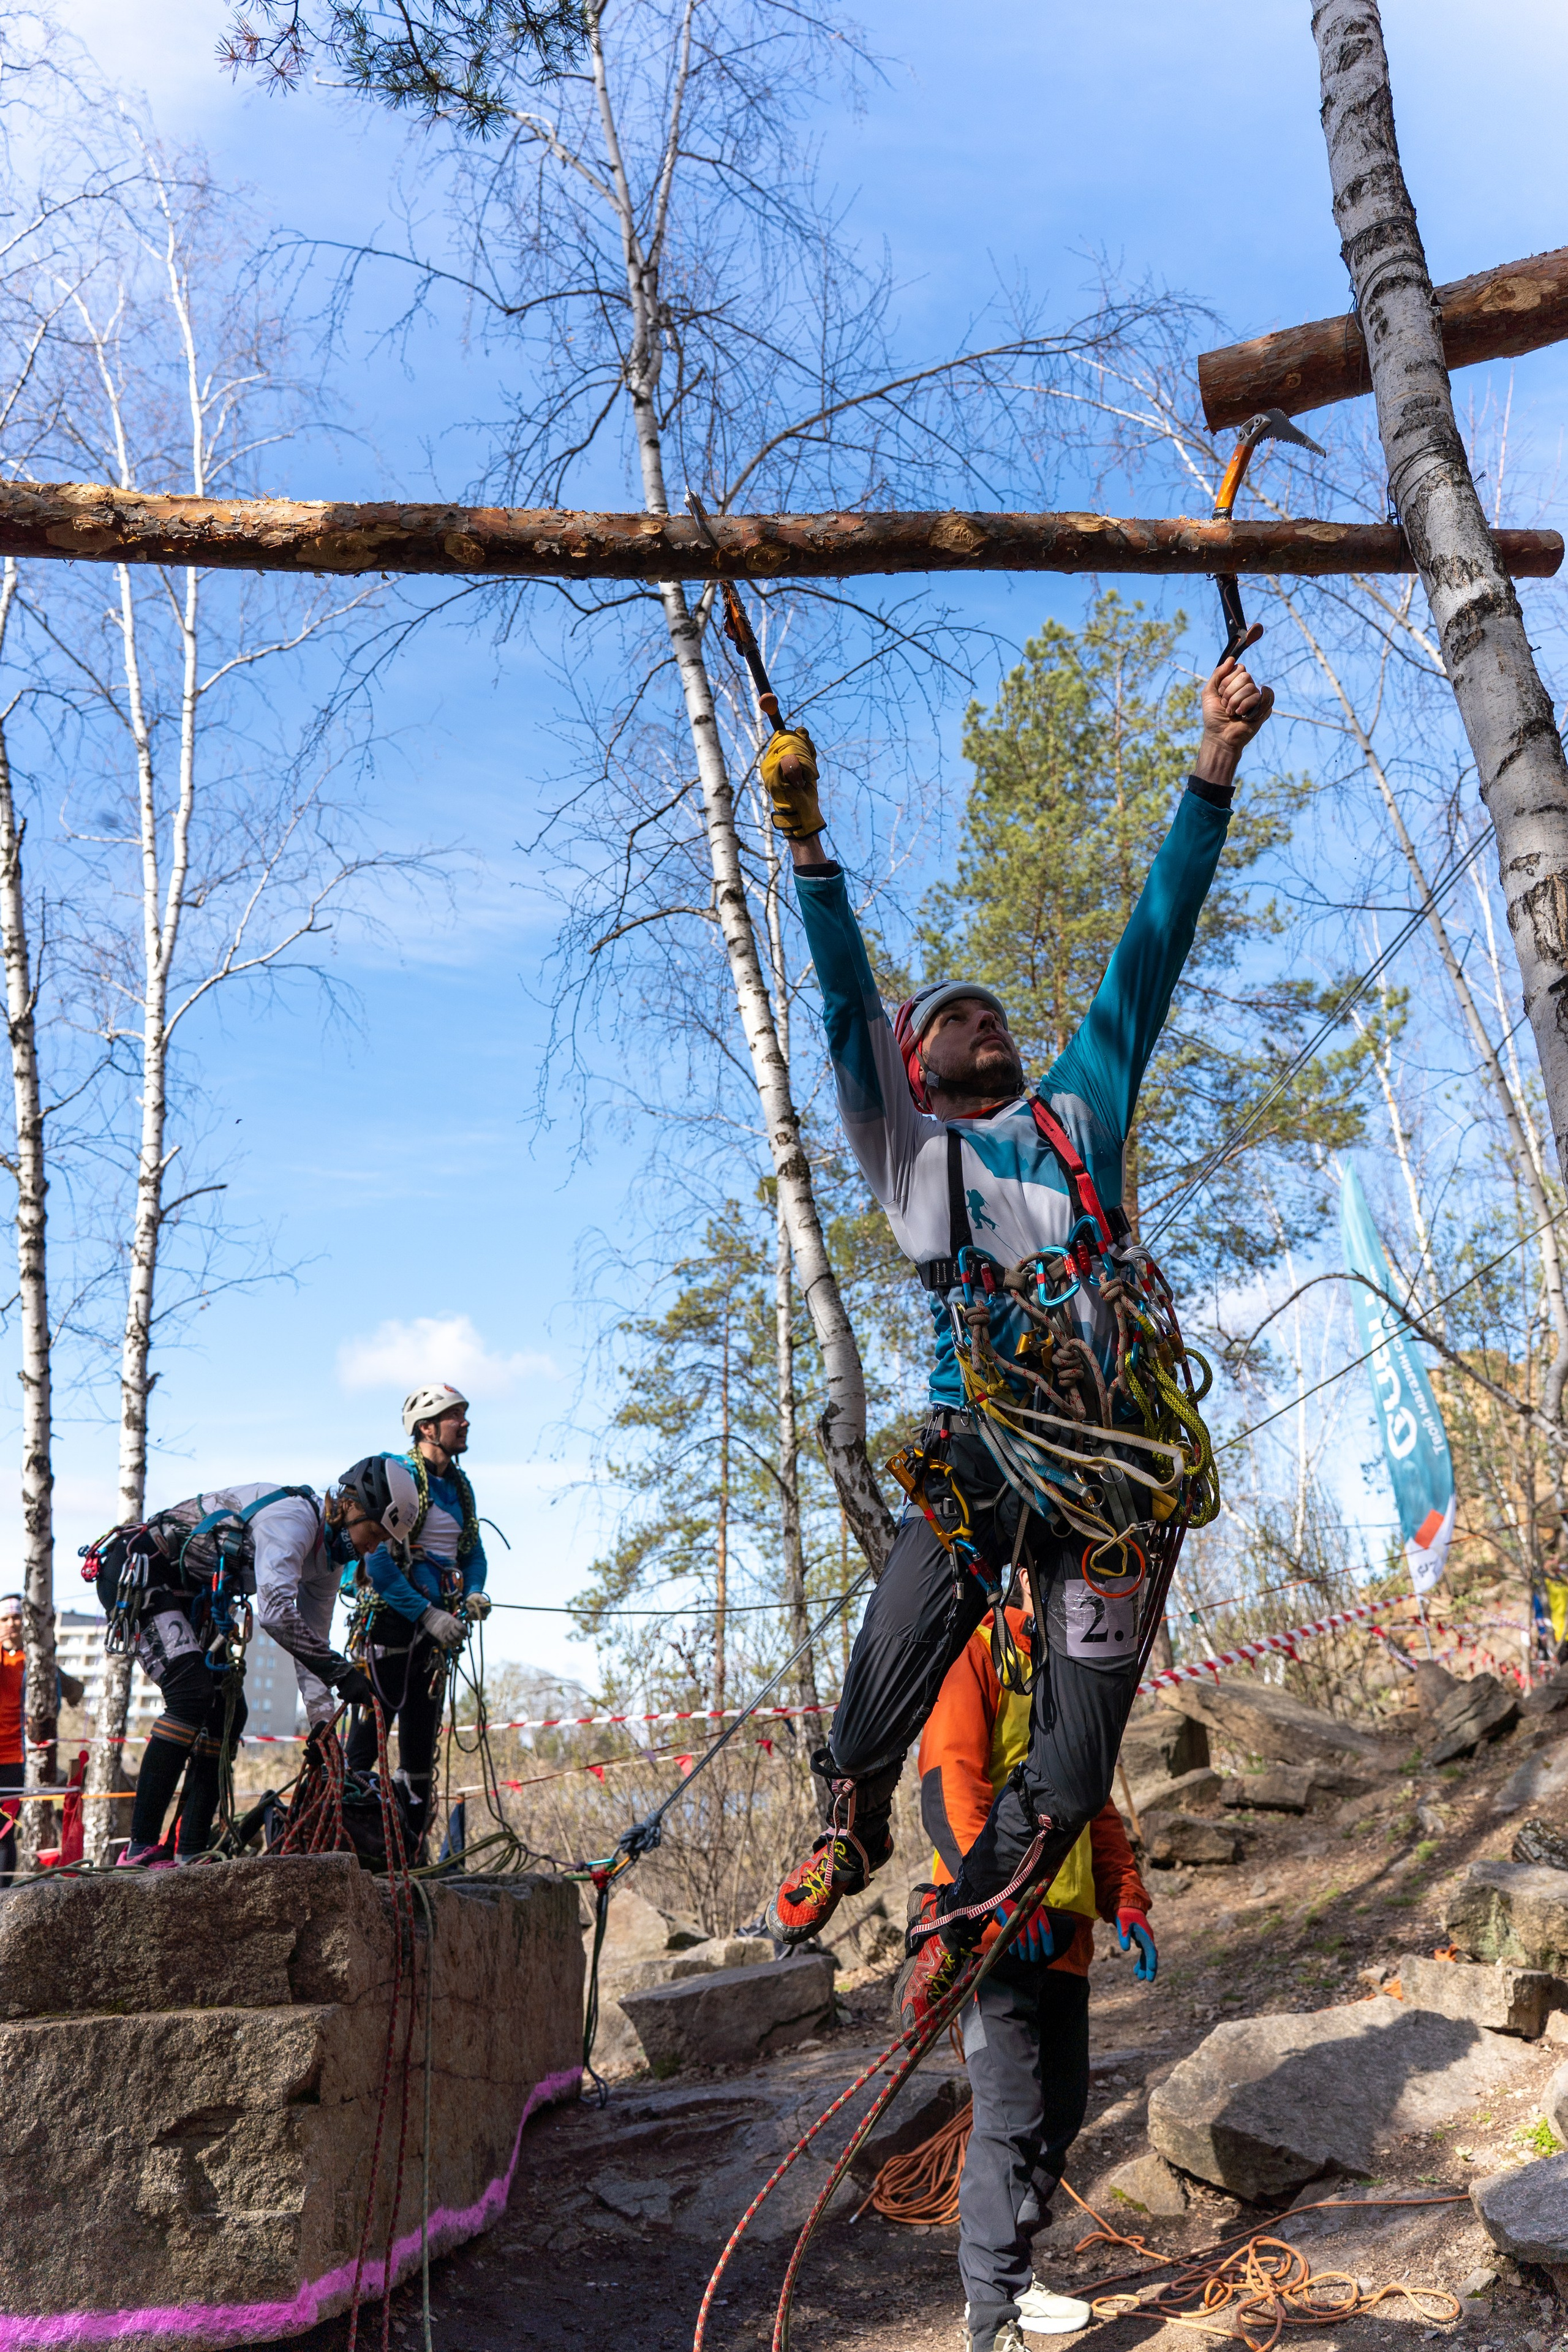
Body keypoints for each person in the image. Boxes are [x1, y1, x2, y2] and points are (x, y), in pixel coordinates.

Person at [760, 634, 1272, 2027]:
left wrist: (1212, 756)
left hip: (1118, 1466)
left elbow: (1149, 940)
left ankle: (980, 1911)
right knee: (922, 1583)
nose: (977, 1020)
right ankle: (850, 1806)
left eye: (990, 1010)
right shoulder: (921, 1167)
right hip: (990, 1442)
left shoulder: (1077, 1111)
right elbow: (842, 1020)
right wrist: (809, 859)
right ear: (917, 1069)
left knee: (1077, 1744)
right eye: (947, 1019)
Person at [917, 1602, 1156, 2352]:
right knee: (1010, 2116)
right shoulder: (984, 1656)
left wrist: (1126, 1900)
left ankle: (1012, 2274)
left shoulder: (1078, 1671)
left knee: (1060, 2115)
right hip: (989, 1942)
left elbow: (1097, 1809)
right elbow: (948, 1785)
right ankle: (989, 2321)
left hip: (1066, 1945)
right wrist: (1008, 1902)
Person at [89, 1483, 377, 1866]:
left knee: (227, 1710)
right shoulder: (295, 1520)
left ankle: (190, 1850)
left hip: (194, 1592)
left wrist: (323, 1724)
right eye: (373, 1534)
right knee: (192, 1696)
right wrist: (342, 1673)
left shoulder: (327, 1564)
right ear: (350, 1510)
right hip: (142, 1567)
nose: (373, 1549)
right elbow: (276, 1612)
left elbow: (311, 1643)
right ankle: (139, 1848)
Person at [337, 1405, 488, 1853]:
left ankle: (410, 1845)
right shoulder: (401, 1477)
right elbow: (377, 1558)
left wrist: (474, 1592)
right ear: (427, 1428)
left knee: (421, 1749)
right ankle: (345, 1840)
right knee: (366, 1739)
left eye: (465, 1416)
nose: (465, 1423)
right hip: (390, 1623)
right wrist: (427, 1614)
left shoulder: (460, 1487)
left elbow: (472, 1550)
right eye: (455, 1417)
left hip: (436, 1636)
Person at [0, 1595, 23, 1885]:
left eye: (16, 1618)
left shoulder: (38, 1660)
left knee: (5, 1832)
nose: (11, 1624)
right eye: (4, 1619)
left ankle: (4, 1895)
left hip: (17, 1758)